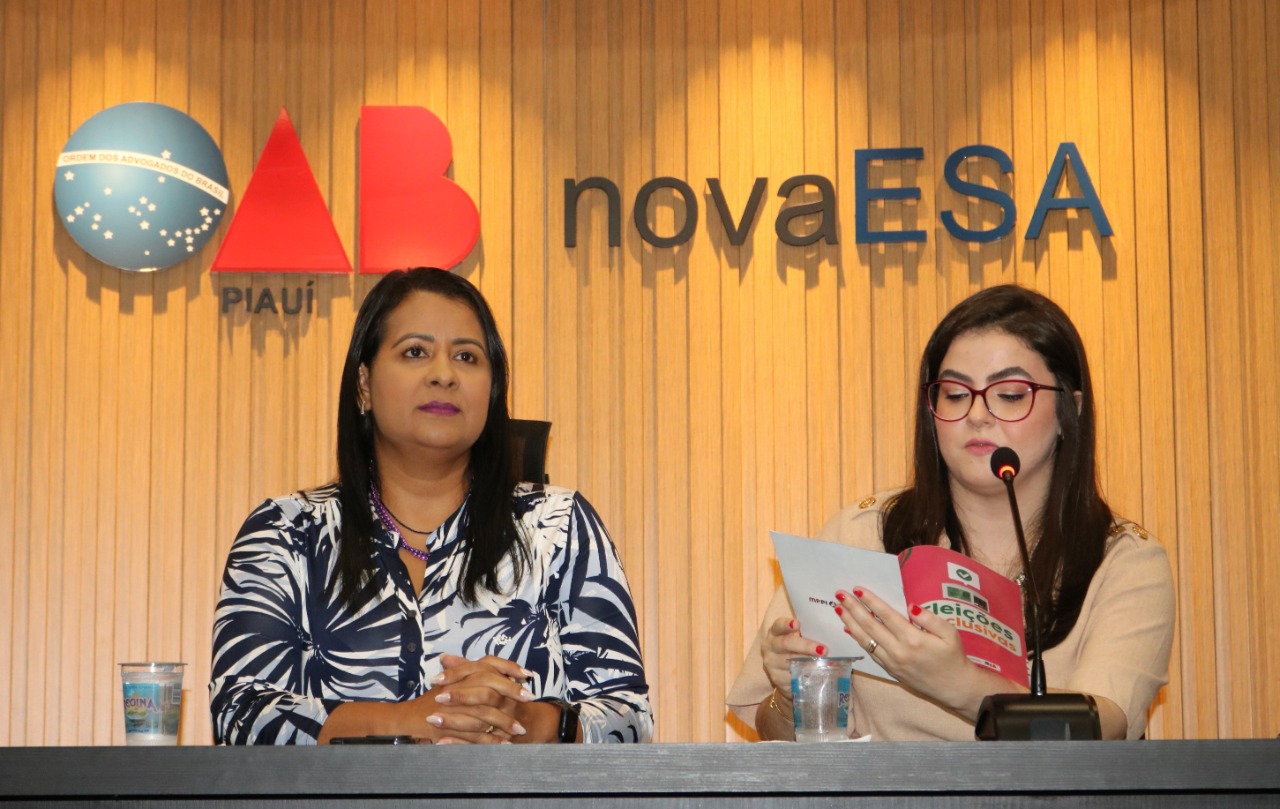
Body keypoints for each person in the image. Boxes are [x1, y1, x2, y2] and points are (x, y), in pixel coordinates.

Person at [211, 267, 651, 745]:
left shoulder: (559, 526)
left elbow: (629, 717)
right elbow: (241, 712)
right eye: (415, 352)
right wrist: (414, 720)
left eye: (466, 356)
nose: (444, 374)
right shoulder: (286, 531)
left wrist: (526, 721)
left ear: (491, 391)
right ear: (363, 384)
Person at [727, 284, 1174, 741]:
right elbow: (776, 731)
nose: (977, 415)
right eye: (956, 394)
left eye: (1010, 394)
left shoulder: (1123, 560)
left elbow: (1106, 724)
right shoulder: (863, 535)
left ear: (1068, 411)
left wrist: (959, 684)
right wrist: (794, 696)